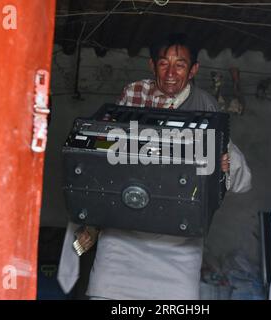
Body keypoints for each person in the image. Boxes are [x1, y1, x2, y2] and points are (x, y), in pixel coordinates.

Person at [58, 33, 251, 300]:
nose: (171, 73)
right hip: (121, 245)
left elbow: (241, 180)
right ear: (152, 65)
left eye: (180, 65)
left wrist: (224, 165)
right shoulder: (132, 97)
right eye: (164, 63)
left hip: (179, 249)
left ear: (194, 70)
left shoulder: (205, 106)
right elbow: (103, 159)